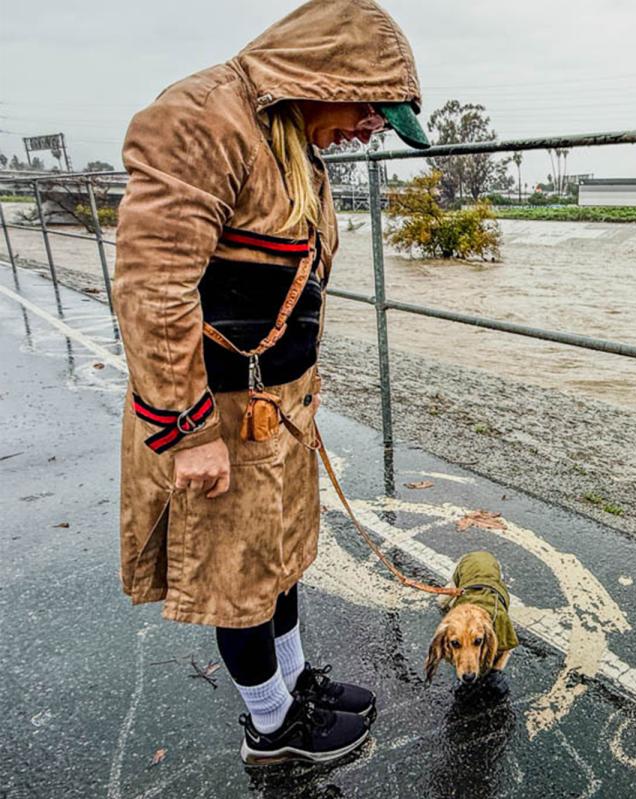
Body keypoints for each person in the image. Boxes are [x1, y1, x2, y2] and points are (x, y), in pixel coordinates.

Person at [113, 0, 430, 765]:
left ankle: (293, 685)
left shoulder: (293, 146)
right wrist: (186, 431)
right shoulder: (200, 121)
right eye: (368, 108)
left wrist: (302, 396)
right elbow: (153, 286)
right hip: (215, 413)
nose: (371, 129)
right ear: (317, 75)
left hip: (276, 409)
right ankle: (270, 727)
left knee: (281, 559)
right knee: (239, 577)